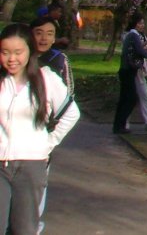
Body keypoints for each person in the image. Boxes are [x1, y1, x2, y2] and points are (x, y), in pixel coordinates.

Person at [0, 23, 80, 235]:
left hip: (31, 166)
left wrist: (48, 142)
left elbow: (72, 113)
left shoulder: (46, 78)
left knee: (24, 228)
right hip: (0, 165)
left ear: (29, 51)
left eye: (18, 52)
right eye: (5, 52)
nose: (11, 59)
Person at [112, 13, 147, 134]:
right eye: (140, 23)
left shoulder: (131, 35)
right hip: (128, 70)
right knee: (131, 98)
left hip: (126, 70)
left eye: (143, 23)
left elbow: (135, 49)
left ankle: (118, 125)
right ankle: (121, 124)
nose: (142, 25)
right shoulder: (133, 35)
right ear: (135, 24)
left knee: (124, 98)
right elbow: (139, 50)